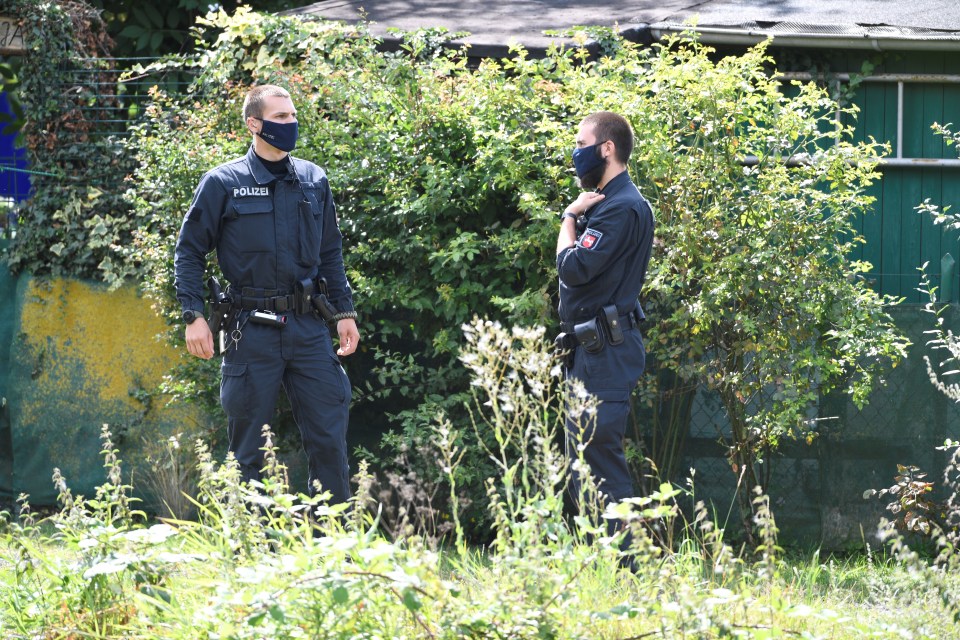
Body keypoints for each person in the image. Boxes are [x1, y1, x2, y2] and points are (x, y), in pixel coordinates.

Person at [174, 84, 360, 503]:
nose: (289, 123)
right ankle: (249, 548)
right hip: (249, 329)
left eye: (292, 116)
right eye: (279, 117)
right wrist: (193, 315)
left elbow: (330, 252)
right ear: (253, 124)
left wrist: (344, 312)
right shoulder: (223, 182)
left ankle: (334, 547)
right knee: (247, 452)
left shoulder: (314, 180)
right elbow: (189, 250)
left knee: (330, 441)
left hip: (309, 327)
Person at [556, 111, 654, 514]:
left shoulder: (621, 206)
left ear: (607, 148)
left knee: (600, 465)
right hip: (592, 350)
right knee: (581, 467)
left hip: (605, 354)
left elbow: (573, 266)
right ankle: (595, 566)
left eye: (581, 145)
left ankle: (627, 569)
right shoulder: (609, 202)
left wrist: (569, 216)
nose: (576, 154)